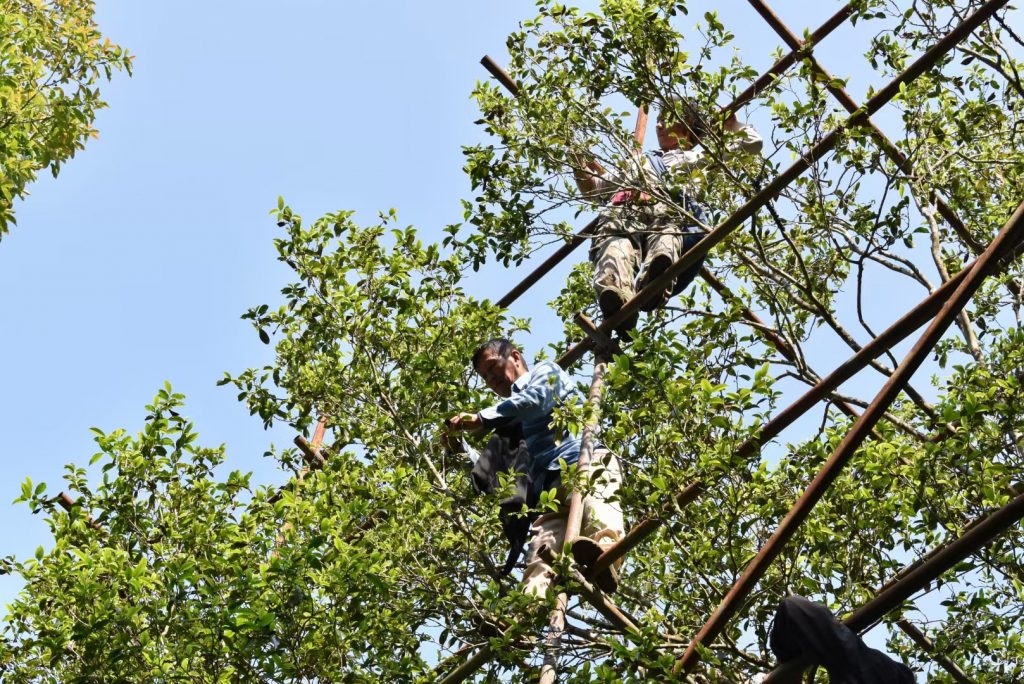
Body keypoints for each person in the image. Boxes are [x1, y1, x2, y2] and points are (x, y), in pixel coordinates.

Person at [446, 338, 625, 595]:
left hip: (585, 462)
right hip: (551, 494)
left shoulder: (544, 373)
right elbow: (496, 475)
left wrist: (481, 418)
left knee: (600, 515)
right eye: (485, 377)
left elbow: (534, 400)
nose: (491, 379)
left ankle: (606, 559)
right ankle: (526, 612)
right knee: (540, 558)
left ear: (515, 358)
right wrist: (459, 447)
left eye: (493, 366)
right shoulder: (508, 423)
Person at [574, 98, 763, 333]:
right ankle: (616, 295)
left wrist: (731, 124)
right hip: (626, 207)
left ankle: (655, 282)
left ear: (687, 129)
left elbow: (751, 144)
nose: (659, 125)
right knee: (613, 244)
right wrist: (576, 159)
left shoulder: (696, 159)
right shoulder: (637, 161)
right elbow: (593, 189)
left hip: (667, 210)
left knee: (667, 238)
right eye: (659, 119)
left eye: (668, 119)